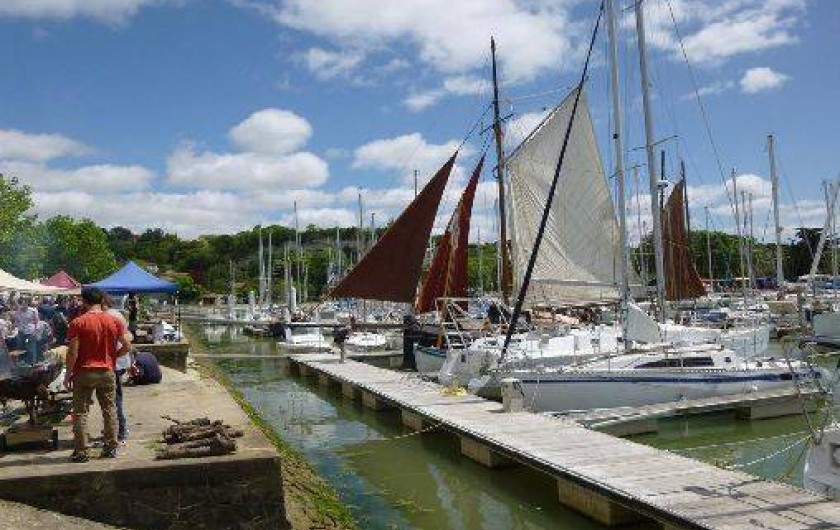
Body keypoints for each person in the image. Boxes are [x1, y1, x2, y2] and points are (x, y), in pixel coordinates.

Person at [65, 287, 132, 462]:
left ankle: (81, 451)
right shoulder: (113, 320)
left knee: (80, 413)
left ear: (84, 301)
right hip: (106, 371)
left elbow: (72, 352)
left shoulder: (77, 323)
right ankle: (110, 448)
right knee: (109, 410)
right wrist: (112, 357)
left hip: (83, 372)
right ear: (101, 300)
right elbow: (127, 346)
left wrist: (67, 375)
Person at [14, 297, 39, 365]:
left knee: (31, 349)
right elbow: (17, 321)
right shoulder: (18, 311)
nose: (23, 305)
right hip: (21, 332)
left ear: (27, 303)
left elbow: (37, 322)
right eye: (21, 303)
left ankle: (32, 364)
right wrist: (15, 326)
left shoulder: (33, 311)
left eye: (24, 303)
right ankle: (21, 363)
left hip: (30, 332)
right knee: (20, 348)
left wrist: (35, 331)